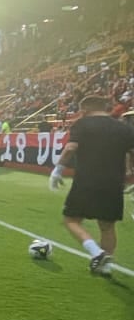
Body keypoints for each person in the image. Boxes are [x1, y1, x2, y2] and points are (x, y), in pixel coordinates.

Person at [50, 94, 134, 276]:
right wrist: (130, 173)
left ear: (85, 109)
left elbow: (71, 148)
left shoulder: (83, 124)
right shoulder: (124, 128)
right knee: (107, 226)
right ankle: (106, 266)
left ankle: (97, 253)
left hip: (87, 180)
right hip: (114, 182)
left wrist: (57, 171)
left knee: (71, 219)